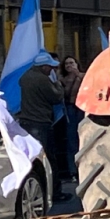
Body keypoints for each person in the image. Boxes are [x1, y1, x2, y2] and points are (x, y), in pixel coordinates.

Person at [19, 51, 70, 201]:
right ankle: (55, 193)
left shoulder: (25, 77)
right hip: (41, 123)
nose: (52, 70)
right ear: (43, 67)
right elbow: (56, 97)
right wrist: (58, 85)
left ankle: (37, 190)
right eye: (50, 67)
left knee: (32, 158)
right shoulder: (42, 80)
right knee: (48, 158)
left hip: (27, 122)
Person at [60, 56, 85, 181]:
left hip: (82, 108)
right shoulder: (62, 80)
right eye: (66, 64)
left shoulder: (83, 76)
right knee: (72, 141)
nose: (69, 65)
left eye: (71, 63)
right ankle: (73, 171)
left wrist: (78, 75)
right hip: (70, 109)